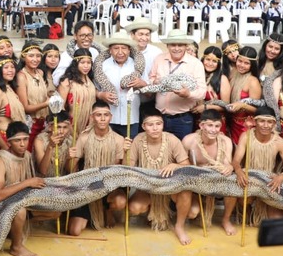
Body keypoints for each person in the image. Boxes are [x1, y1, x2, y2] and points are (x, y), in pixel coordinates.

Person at [126, 110, 194, 245]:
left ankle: (179, 227)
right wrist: (125, 151)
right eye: (150, 125)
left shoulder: (172, 139)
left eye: (159, 124)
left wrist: (174, 165)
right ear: (144, 126)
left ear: (163, 124)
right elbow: (128, 168)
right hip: (147, 188)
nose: (155, 128)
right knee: (134, 208)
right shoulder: (138, 140)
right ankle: (152, 211)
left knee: (186, 193)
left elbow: (187, 165)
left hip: (170, 187)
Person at [66, 101, 130, 235]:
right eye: (98, 115)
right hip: (87, 187)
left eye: (106, 115)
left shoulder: (118, 139)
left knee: (120, 202)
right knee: (74, 231)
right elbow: (71, 169)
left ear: (110, 117)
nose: (102, 118)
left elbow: (119, 169)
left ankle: (108, 210)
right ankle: (91, 212)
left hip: (108, 186)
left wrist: (125, 153)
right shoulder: (84, 138)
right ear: (92, 117)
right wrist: (70, 158)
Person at [230, 106, 283, 224]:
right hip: (249, 180)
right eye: (262, 121)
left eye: (269, 122)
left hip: (268, 183)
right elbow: (236, 161)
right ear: (255, 122)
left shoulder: (278, 142)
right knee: (246, 212)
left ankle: (264, 207)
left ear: (274, 124)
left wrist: (281, 177)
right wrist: (239, 171)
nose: (266, 125)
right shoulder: (246, 137)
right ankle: (247, 210)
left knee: (278, 220)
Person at [0, 122, 46, 256]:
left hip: (20, 198)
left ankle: (15, 229)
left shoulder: (27, 155)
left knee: (55, 210)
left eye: (25, 139)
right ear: (9, 142)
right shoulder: (1, 159)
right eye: (17, 140)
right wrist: (27, 183)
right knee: (20, 211)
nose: (22, 144)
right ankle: (16, 247)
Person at [181, 110, 236, 235]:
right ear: (201, 126)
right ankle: (197, 211)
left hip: (217, 179)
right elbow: (182, 164)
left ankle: (226, 220)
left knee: (233, 186)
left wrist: (229, 167)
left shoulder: (225, 141)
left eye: (217, 126)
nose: (213, 130)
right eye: (210, 125)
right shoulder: (189, 141)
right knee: (192, 213)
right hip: (195, 183)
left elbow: (228, 162)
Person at [149, 29, 207, 140]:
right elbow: (151, 79)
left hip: (183, 119)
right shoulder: (159, 59)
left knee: (181, 153)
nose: (176, 48)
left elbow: (202, 92)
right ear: (167, 46)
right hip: (159, 118)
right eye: (173, 45)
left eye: (180, 45)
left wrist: (188, 94)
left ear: (186, 46)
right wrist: (156, 83)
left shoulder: (195, 64)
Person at [95, 31, 145, 138]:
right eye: (116, 48)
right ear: (110, 50)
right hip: (108, 119)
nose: (120, 52)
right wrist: (101, 95)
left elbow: (148, 90)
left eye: (124, 48)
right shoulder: (102, 66)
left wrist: (142, 84)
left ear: (129, 50)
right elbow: (93, 89)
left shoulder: (137, 66)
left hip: (131, 118)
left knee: (129, 151)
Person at [0, 56, 27, 149]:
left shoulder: (9, 87)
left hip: (16, 138)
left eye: (12, 67)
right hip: (3, 139)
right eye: (6, 67)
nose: (10, 70)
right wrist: (4, 146)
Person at [15, 41, 51, 150]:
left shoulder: (40, 72)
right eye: (31, 56)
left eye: (38, 56)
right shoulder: (21, 76)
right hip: (31, 124)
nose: (35, 59)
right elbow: (25, 107)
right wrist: (45, 104)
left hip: (44, 122)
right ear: (23, 57)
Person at [57, 48, 97, 136]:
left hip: (89, 123)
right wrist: (68, 126)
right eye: (82, 63)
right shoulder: (67, 82)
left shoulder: (90, 80)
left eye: (88, 63)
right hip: (72, 123)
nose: (86, 66)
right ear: (75, 64)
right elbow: (60, 107)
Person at [226, 46, 262, 145]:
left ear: (252, 65)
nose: (242, 65)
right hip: (232, 122)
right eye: (240, 61)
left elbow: (257, 110)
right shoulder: (233, 73)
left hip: (245, 125)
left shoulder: (253, 81)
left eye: (246, 63)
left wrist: (242, 105)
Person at [191, 46, 231, 133]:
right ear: (203, 59)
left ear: (218, 63)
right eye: (208, 59)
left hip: (215, 122)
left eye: (214, 61)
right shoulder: (196, 76)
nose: (210, 63)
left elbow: (226, 106)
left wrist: (205, 107)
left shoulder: (222, 79)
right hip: (197, 120)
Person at [53, 21, 101, 85]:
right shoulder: (67, 55)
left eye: (89, 35)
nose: (86, 39)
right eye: (82, 35)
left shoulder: (95, 52)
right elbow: (56, 79)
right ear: (75, 36)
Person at [33, 111, 72, 178]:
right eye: (58, 127)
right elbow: (43, 171)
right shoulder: (40, 141)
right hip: (44, 182)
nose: (62, 131)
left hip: (63, 181)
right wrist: (50, 147)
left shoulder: (70, 141)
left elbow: (70, 171)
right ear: (50, 127)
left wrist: (69, 159)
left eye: (65, 127)